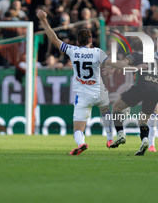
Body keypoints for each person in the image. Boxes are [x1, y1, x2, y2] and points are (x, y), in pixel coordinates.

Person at [36, 9, 144, 155]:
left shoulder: (72, 50)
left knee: (77, 130)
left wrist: (44, 21)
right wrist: (132, 67)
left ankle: (81, 143)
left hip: (83, 95)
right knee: (105, 110)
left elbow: (55, 40)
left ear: (77, 41)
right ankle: (110, 138)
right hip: (99, 91)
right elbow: (114, 63)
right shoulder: (97, 52)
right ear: (90, 40)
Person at [109, 38, 158, 156]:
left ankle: (121, 134)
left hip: (142, 86)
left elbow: (124, 63)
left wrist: (113, 67)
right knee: (143, 120)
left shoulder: (135, 55)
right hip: (156, 90)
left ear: (133, 49)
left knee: (116, 107)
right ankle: (145, 141)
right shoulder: (157, 60)